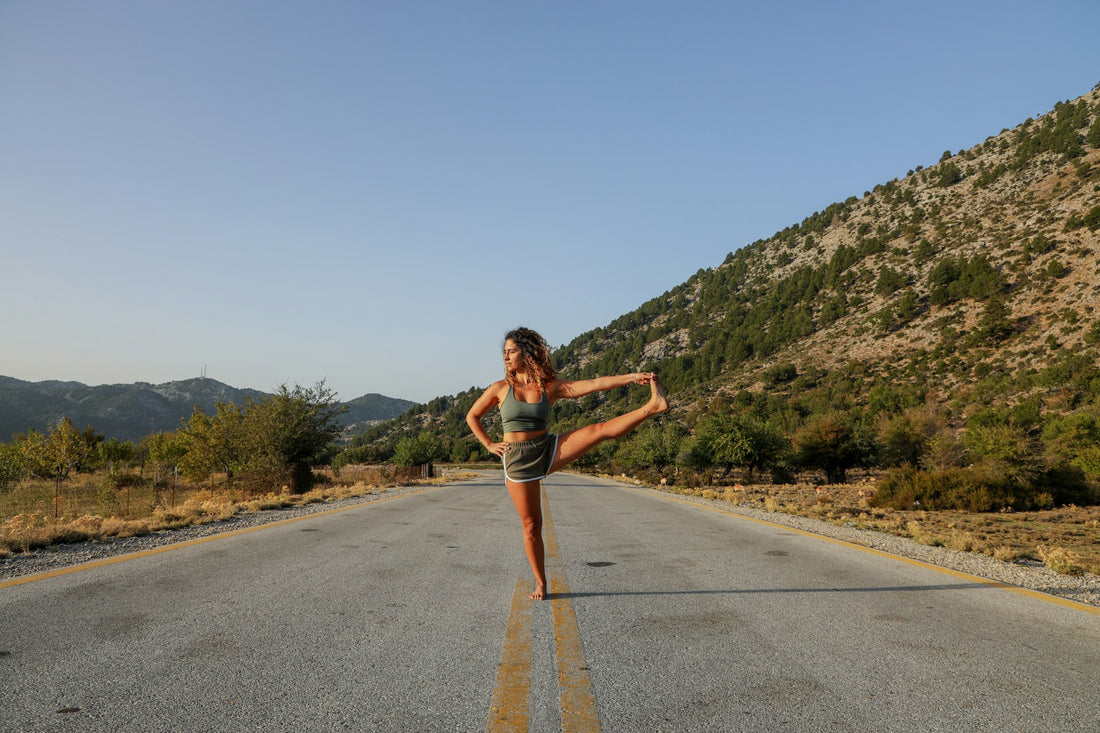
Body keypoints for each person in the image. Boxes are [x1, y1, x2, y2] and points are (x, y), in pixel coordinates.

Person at [465, 326, 669, 600]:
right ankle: (540, 582)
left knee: (598, 430)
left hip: (547, 448)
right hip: (517, 461)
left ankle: (652, 406)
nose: (506, 357)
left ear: (527, 353)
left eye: (511, 351)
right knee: (531, 525)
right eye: (504, 352)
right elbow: (472, 417)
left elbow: (594, 383)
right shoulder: (500, 389)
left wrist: (632, 377)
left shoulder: (549, 386)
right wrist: (489, 444)